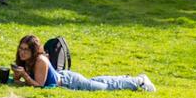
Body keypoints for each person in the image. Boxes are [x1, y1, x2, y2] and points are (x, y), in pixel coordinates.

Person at [10, 34, 154, 92]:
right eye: (20, 49)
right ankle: (127, 78)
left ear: (33, 51)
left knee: (105, 87)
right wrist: (17, 76)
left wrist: (24, 76)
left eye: (26, 50)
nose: (22, 52)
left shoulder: (40, 60)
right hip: (66, 76)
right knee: (99, 81)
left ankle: (139, 81)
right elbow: (21, 82)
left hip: (70, 82)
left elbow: (39, 86)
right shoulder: (25, 60)